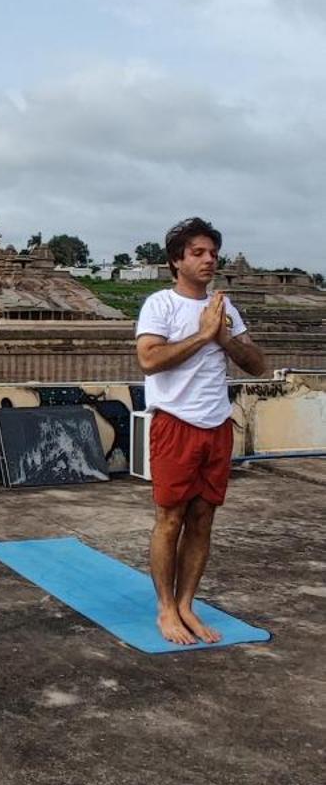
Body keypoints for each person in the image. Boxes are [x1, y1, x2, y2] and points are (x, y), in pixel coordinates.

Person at [135, 217, 265, 646]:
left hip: (216, 424)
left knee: (203, 518)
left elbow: (257, 364)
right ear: (176, 261)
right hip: (175, 423)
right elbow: (150, 360)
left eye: (212, 253)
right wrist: (203, 335)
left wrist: (224, 338)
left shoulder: (224, 309)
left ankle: (188, 603)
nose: (209, 260)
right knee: (170, 519)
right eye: (198, 253)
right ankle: (165, 609)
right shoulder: (161, 304)